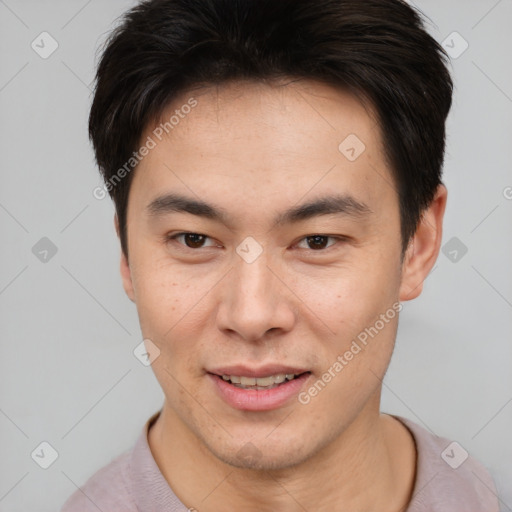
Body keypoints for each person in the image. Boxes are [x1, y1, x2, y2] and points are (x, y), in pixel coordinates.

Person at [61, 0, 500, 510]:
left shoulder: (481, 490)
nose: (252, 316)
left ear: (418, 246)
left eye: (317, 241)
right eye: (194, 240)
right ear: (127, 253)